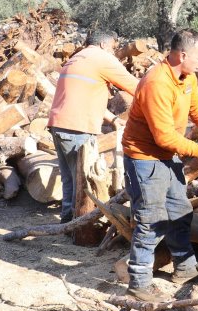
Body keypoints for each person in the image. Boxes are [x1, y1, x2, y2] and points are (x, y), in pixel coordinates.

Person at [121, 29, 198, 302]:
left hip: (166, 155)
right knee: (151, 219)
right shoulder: (156, 83)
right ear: (182, 55)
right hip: (144, 158)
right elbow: (163, 136)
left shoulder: (187, 77)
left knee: (180, 210)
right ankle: (139, 283)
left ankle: (185, 268)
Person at [48, 30, 139, 224]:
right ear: (104, 45)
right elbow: (137, 87)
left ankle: (67, 221)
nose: (114, 53)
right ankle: (79, 226)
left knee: (70, 178)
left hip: (59, 124)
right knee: (84, 179)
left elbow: (83, 97)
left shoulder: (77, 58)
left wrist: (113, 119)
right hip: (76, 127)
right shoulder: (101, 58)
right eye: (113, 48)